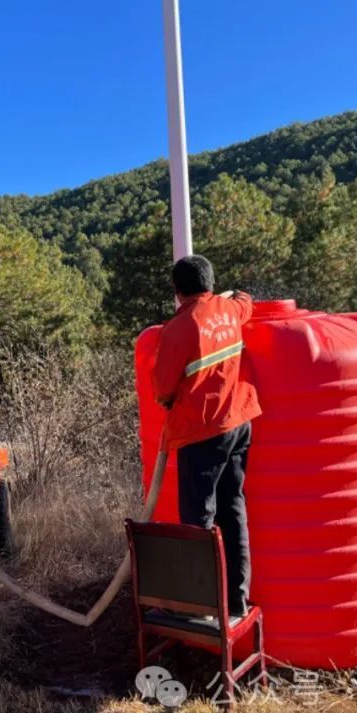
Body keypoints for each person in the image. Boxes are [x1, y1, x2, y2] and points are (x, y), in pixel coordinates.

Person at [151, 255, 260, 618]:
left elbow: (163, 388)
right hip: (239, 423)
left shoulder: (178, 328)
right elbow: (246, 303)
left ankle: (199, 606)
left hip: (202, 431)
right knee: (233, 508)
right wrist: (238, 294)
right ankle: (237, 598)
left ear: (177, 291)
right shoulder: (231, 309)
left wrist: (168, 399)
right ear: (211, 283)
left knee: (198, 519)